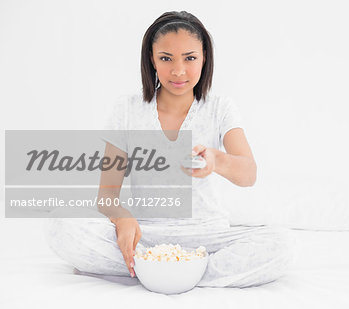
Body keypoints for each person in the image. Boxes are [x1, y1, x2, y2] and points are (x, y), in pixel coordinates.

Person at [45, 10, 295, 288]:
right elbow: (106, 194)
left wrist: (215, 160)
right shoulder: (126, 109)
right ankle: (170, 267)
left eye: (190, 58)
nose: (178, 71)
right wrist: (123, 218)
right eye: (166, 58)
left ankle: (159, 269)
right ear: (151, 58)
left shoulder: (220, 107)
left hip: (206, 236)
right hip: (145, 233)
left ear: (204, 58)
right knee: (62, 226)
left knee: (282, 243)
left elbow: (248, 175)